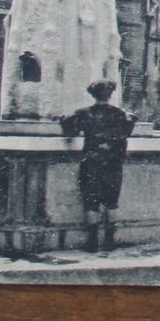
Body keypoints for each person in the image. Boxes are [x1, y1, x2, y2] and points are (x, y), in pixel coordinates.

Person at [60, 79, 135, 251]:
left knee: (90, 201)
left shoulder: (84, 113)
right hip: (113, 164)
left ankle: (93, 241)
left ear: (94, 94)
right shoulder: (120, 113)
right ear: (110, 94)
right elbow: (127, 131)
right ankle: (109, 240)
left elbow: (68, 125)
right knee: (111, 201)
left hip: (92, 162)